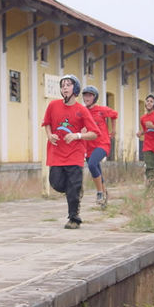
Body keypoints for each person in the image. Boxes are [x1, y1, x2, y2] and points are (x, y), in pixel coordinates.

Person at [42, 74, 100, 229]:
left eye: (68, 84)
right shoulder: (53, 106)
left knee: (73, 187)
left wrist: (77, 135)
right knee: (56, 183)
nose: (65, 87)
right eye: (62, 85)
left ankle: (74, 218)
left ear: (75, 89)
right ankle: (75, 190)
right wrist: (49, 135)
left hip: (75, 153)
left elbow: (94, 133)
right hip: (56, 152)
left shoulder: (81, 110)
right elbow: (47, 123)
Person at [81, 85, 118, 208]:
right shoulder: (82, 111)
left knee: (92, 164)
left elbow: (114, 115)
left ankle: (99, 193)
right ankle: (105, 197)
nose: (86, 97)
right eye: (85, 95)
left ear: (94, 97)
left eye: (89, 95)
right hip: (88, 146)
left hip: (102, 143)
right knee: (96, 170)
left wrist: (113, 130)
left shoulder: (101, 110)